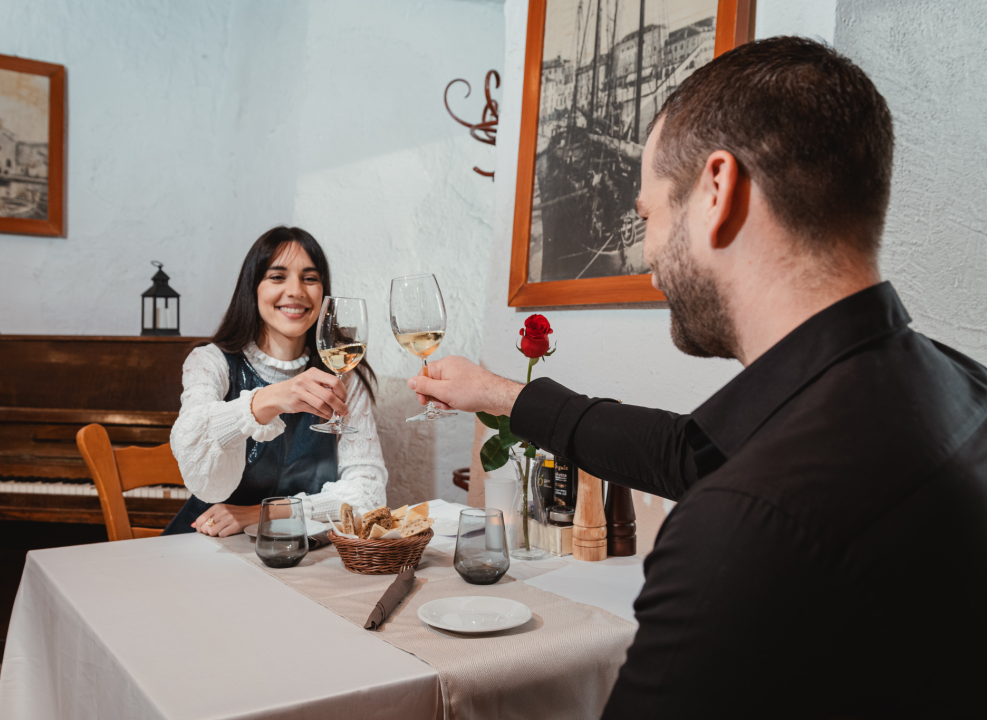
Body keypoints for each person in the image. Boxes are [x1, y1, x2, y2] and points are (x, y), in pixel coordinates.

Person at [409, 38, 987, 719]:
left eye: (649, 214)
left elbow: (733, 486)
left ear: (719, 189)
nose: (649, 252)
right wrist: (504, 394)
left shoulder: (744, 526)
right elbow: (695, 451)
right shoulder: (955, 385)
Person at [164, 226, 387, 537]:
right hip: (210, 539)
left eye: (310, 278)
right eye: (277, 276)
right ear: (253, 287)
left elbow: (368, 495)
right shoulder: (210, 362)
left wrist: (266, 514)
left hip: (299, 548)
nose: (296, 291)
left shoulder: (344, 375)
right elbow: (193, 447)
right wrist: (266, 401)